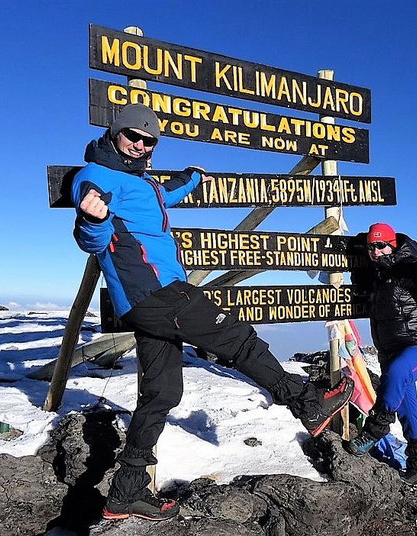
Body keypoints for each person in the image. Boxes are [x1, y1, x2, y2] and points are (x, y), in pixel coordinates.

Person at [71, 104, 353, 521]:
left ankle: (125, 492)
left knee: (162, 393)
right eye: (133, 136)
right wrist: (91, 220)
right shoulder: (96, 177)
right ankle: (306, 402)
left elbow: (163, 195)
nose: (140, 145)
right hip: (156, 293)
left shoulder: (138, 180)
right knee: (237, 338)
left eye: (149, 141)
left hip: (149, 300)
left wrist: (193, 178)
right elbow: (91, 238)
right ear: (115, 133)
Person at [344, 223, 417, 487]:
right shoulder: (372, 274)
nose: (375, 251)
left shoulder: (411, 268)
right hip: (388, 353)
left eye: (381, 245)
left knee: (399, 371)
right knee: (409, 410)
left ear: (393, 245)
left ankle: (375, 429)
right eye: (371, 247)